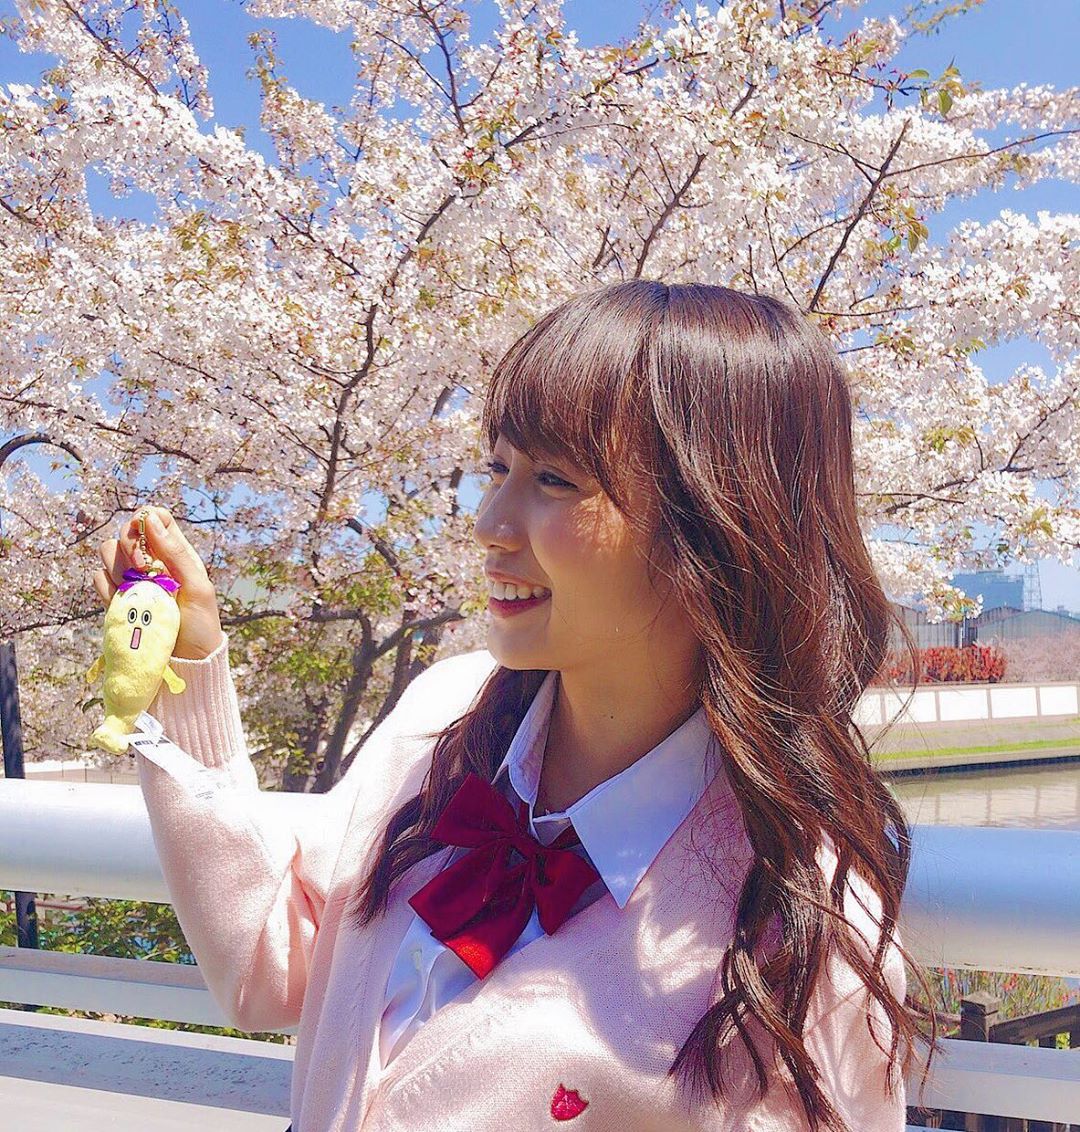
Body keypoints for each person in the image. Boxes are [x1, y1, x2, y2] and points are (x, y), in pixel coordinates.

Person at [93, 281, 935, 1131]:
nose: (490, 522)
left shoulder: (799, 922)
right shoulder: (444, 719)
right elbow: (269, 966)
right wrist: (185, 670)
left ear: (720, 524)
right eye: (499, 468)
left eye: (555, 480)